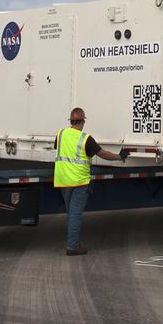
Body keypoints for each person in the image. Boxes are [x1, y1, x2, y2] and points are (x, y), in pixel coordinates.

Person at [53, 107, 130, 255]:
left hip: (63, 181)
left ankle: (73, 242)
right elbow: (103, 154)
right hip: (79, 182)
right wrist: (120, 157)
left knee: (71, 214)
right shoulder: (85, 139)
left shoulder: (60, 134)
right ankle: (73, 247)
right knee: (75, 214)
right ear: (82, 122)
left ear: (71, 121)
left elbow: (60, 149)